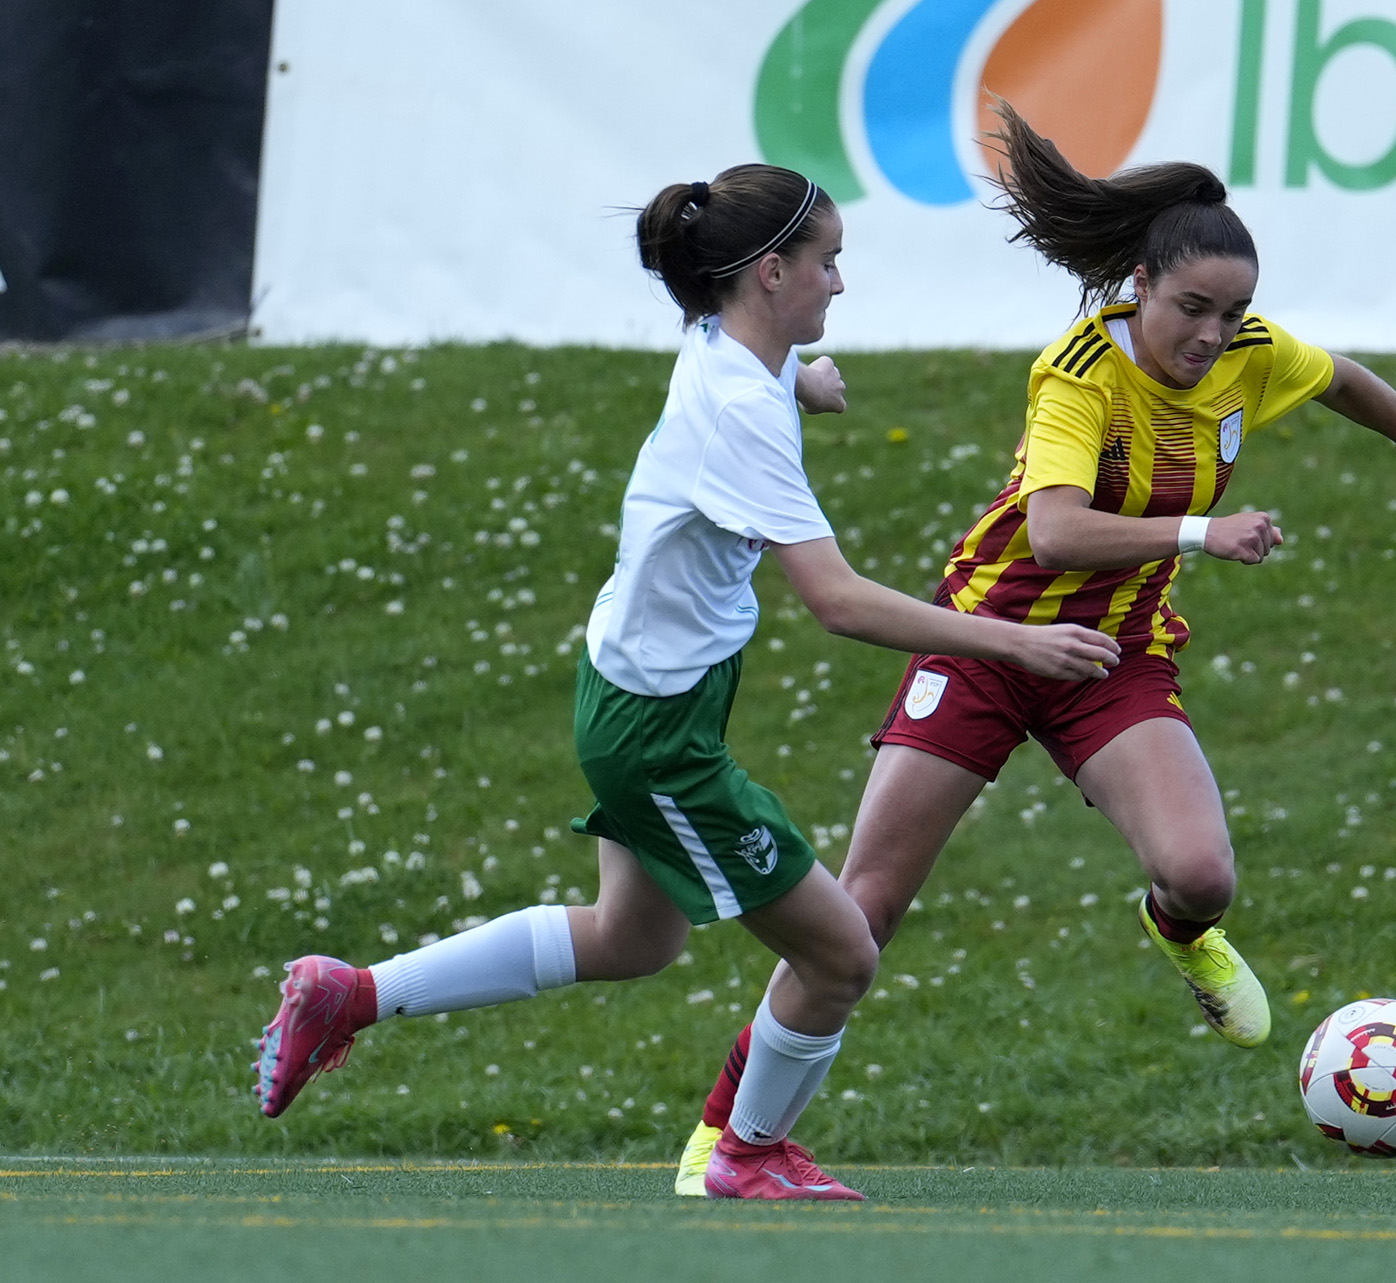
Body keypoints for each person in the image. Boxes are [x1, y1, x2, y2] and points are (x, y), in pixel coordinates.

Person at [670, 104, 1396, 1194]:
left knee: (1201, 874)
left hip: (1110, 658)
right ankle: (725, 1131)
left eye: (1232, 313)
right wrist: (1202, 533)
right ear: (1138, 283)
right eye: (1191, 309)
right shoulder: (1077, 372)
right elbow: (1055, 532)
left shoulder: (1249, 356)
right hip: (989, 642)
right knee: (860, 911)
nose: (1212, 335)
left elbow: (1342, 376)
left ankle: (1176, 932)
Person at [249, 161, 1120, 1202]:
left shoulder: (727, 351)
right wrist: (1013, 643)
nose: (839, 283)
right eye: (827, 262)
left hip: (631, 693)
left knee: (630, 937)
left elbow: (742, 378)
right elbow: (838, 601)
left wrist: (801, 381)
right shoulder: (739, 408)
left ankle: (348, 994)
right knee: (842, 955)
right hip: (658, 731)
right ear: (769, 273)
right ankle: (746, 1153)